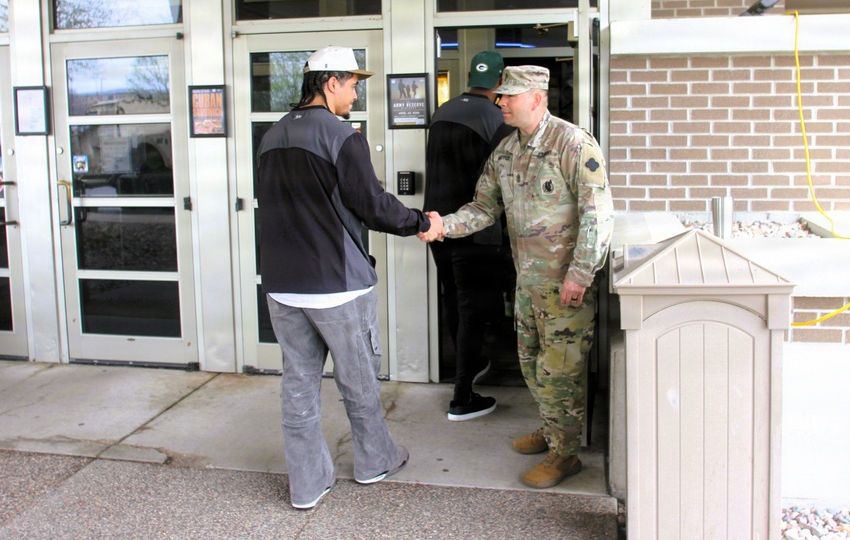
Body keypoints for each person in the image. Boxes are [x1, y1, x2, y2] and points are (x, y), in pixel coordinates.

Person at [256, 45, 439, 510]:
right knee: (358, 379)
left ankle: (307, 484)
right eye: (354, 84)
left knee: (298, 382)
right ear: (330, 82)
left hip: (281, 282)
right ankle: (375, 460)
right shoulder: (340, 135)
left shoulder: (272, 136)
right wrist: (421, 222)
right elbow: (371, 204)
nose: (357, 94)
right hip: (337, 283)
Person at [420, 65, 612, 489]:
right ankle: (551, 428)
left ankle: (566, 456)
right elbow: (483, 208)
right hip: (526, 284)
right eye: (501, 94)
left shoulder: (573, 143)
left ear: (537, 98)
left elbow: (597, 216)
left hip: (566, 287)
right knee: (531, 365)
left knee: (561, 372)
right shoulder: (506, 151)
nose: (500, 101)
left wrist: (580, 276)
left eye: (509, 95)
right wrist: (443, 226)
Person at [424, 50, 514, 422]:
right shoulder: (497, 118)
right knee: (474, 307)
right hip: (475, 229)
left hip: (437, 225)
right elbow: (503, 180)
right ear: (499, 82)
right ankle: (464, 394)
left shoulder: (441, 111)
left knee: (454, 298)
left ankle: (469, 363)